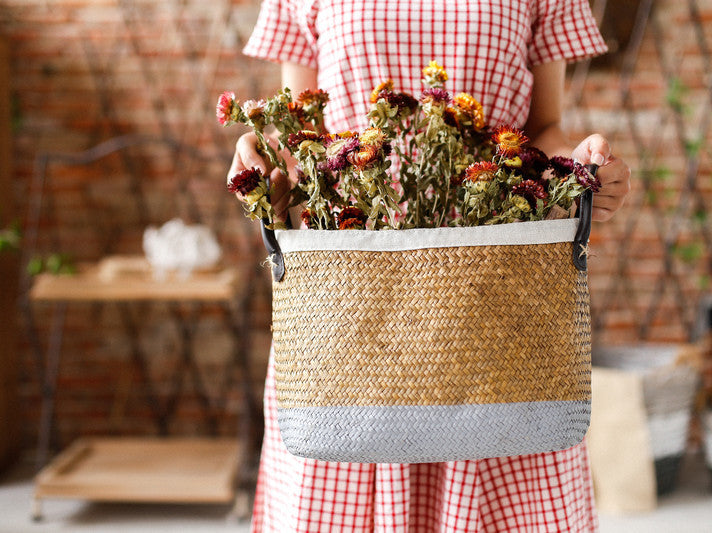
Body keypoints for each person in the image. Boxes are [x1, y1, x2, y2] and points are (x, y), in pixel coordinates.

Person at [229, 1, 631, 531]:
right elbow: (304, 138)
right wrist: (260, 159)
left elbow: (544, 127)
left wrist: (579, 163)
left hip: (493, 301)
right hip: (350, 308)